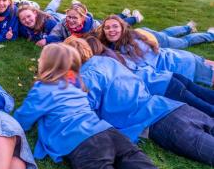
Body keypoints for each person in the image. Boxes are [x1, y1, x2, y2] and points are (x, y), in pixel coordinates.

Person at [14, 43, 214, 169]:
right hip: (111, 135)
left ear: (46, 63)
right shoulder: (75, 80)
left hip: (84, 146)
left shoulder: (42, 88)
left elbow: (23, 119)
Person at [66, 37, 214, 165]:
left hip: (158, 123)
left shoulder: (86, 77)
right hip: (172, 106)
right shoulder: (107, 61)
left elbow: (81, 113)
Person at [83, 34, 214, 116]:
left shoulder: (102, 67)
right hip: (168, 76)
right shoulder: (117, 55)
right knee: (203, 93)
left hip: (163, 87)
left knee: (202, 106)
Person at [99, 15, 214, 87]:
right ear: (103, 31)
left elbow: (145, 69)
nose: (111, 30)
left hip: (182, 65)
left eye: (115, 26)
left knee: (186, 44)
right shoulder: (124, 41)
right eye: (107, 28)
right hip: (180, 58)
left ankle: (208, 34)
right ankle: (197, 30)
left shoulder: (130, 44)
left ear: (122, 28)